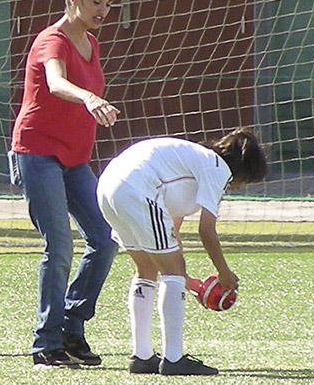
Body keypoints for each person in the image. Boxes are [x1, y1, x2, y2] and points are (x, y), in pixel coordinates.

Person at [8, 0, 121, 369]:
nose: (103, 10)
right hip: (37, 154)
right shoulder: (50, 40)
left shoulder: (91, 42)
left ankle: (72, 326)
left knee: (105, 239)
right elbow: (55, 82)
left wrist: (93, 103)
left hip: (75, 159)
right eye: (97, 2)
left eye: (109, 4)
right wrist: (90, 97)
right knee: (59, 246)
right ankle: (46, 343)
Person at [96, 128, 268, 376]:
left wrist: (190, 283)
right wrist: (224, 273)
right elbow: (206, 231)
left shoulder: (190, 162)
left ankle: (142, 356)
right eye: (245, 181)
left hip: (108, 187)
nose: (239, 188)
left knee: (147, 270)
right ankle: (174, 359)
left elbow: (171, 233)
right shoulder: (218, 168)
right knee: (172, 272)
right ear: (242, 169)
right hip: (137, 188)